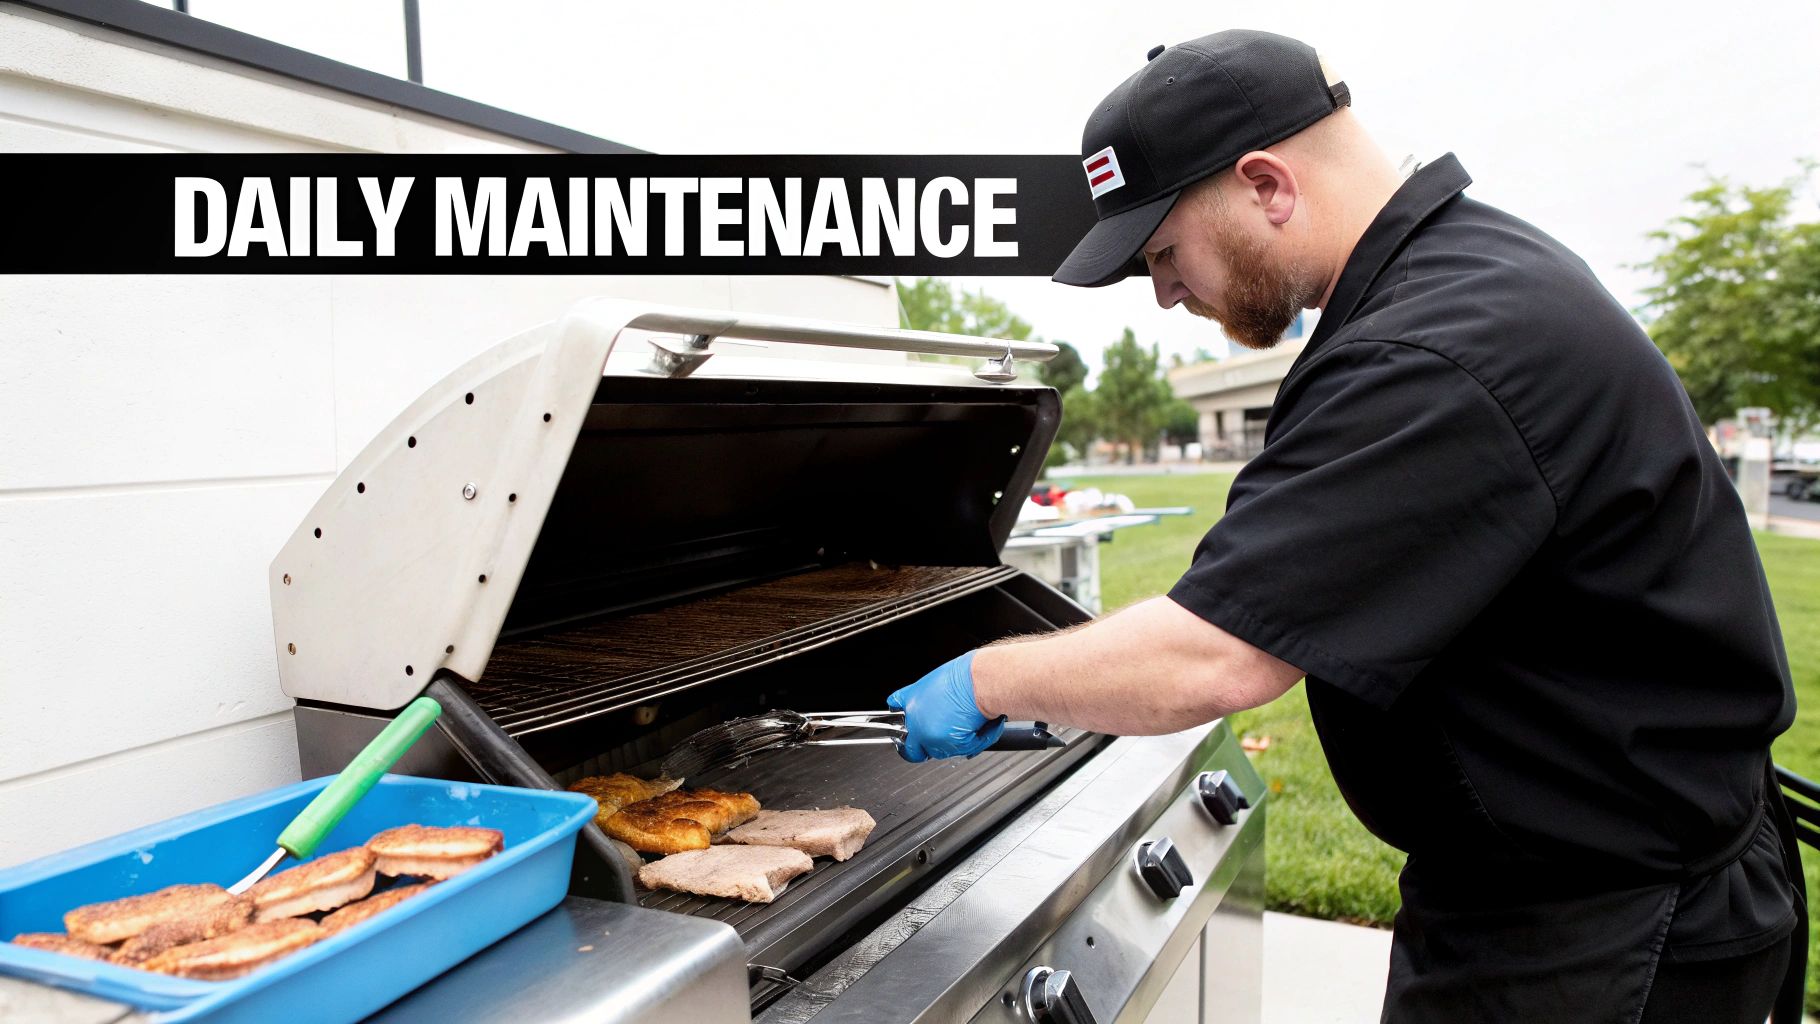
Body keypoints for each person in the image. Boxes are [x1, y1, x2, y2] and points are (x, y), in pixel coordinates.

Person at [886, 29, 1803, 1024]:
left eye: (1161, 252)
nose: (1163, 291)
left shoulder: (1434, 347)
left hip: (1603, 934)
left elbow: (1213, 658)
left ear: (1266, 184)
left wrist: (984, 675)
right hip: (1577, 884)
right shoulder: (1465, 273)